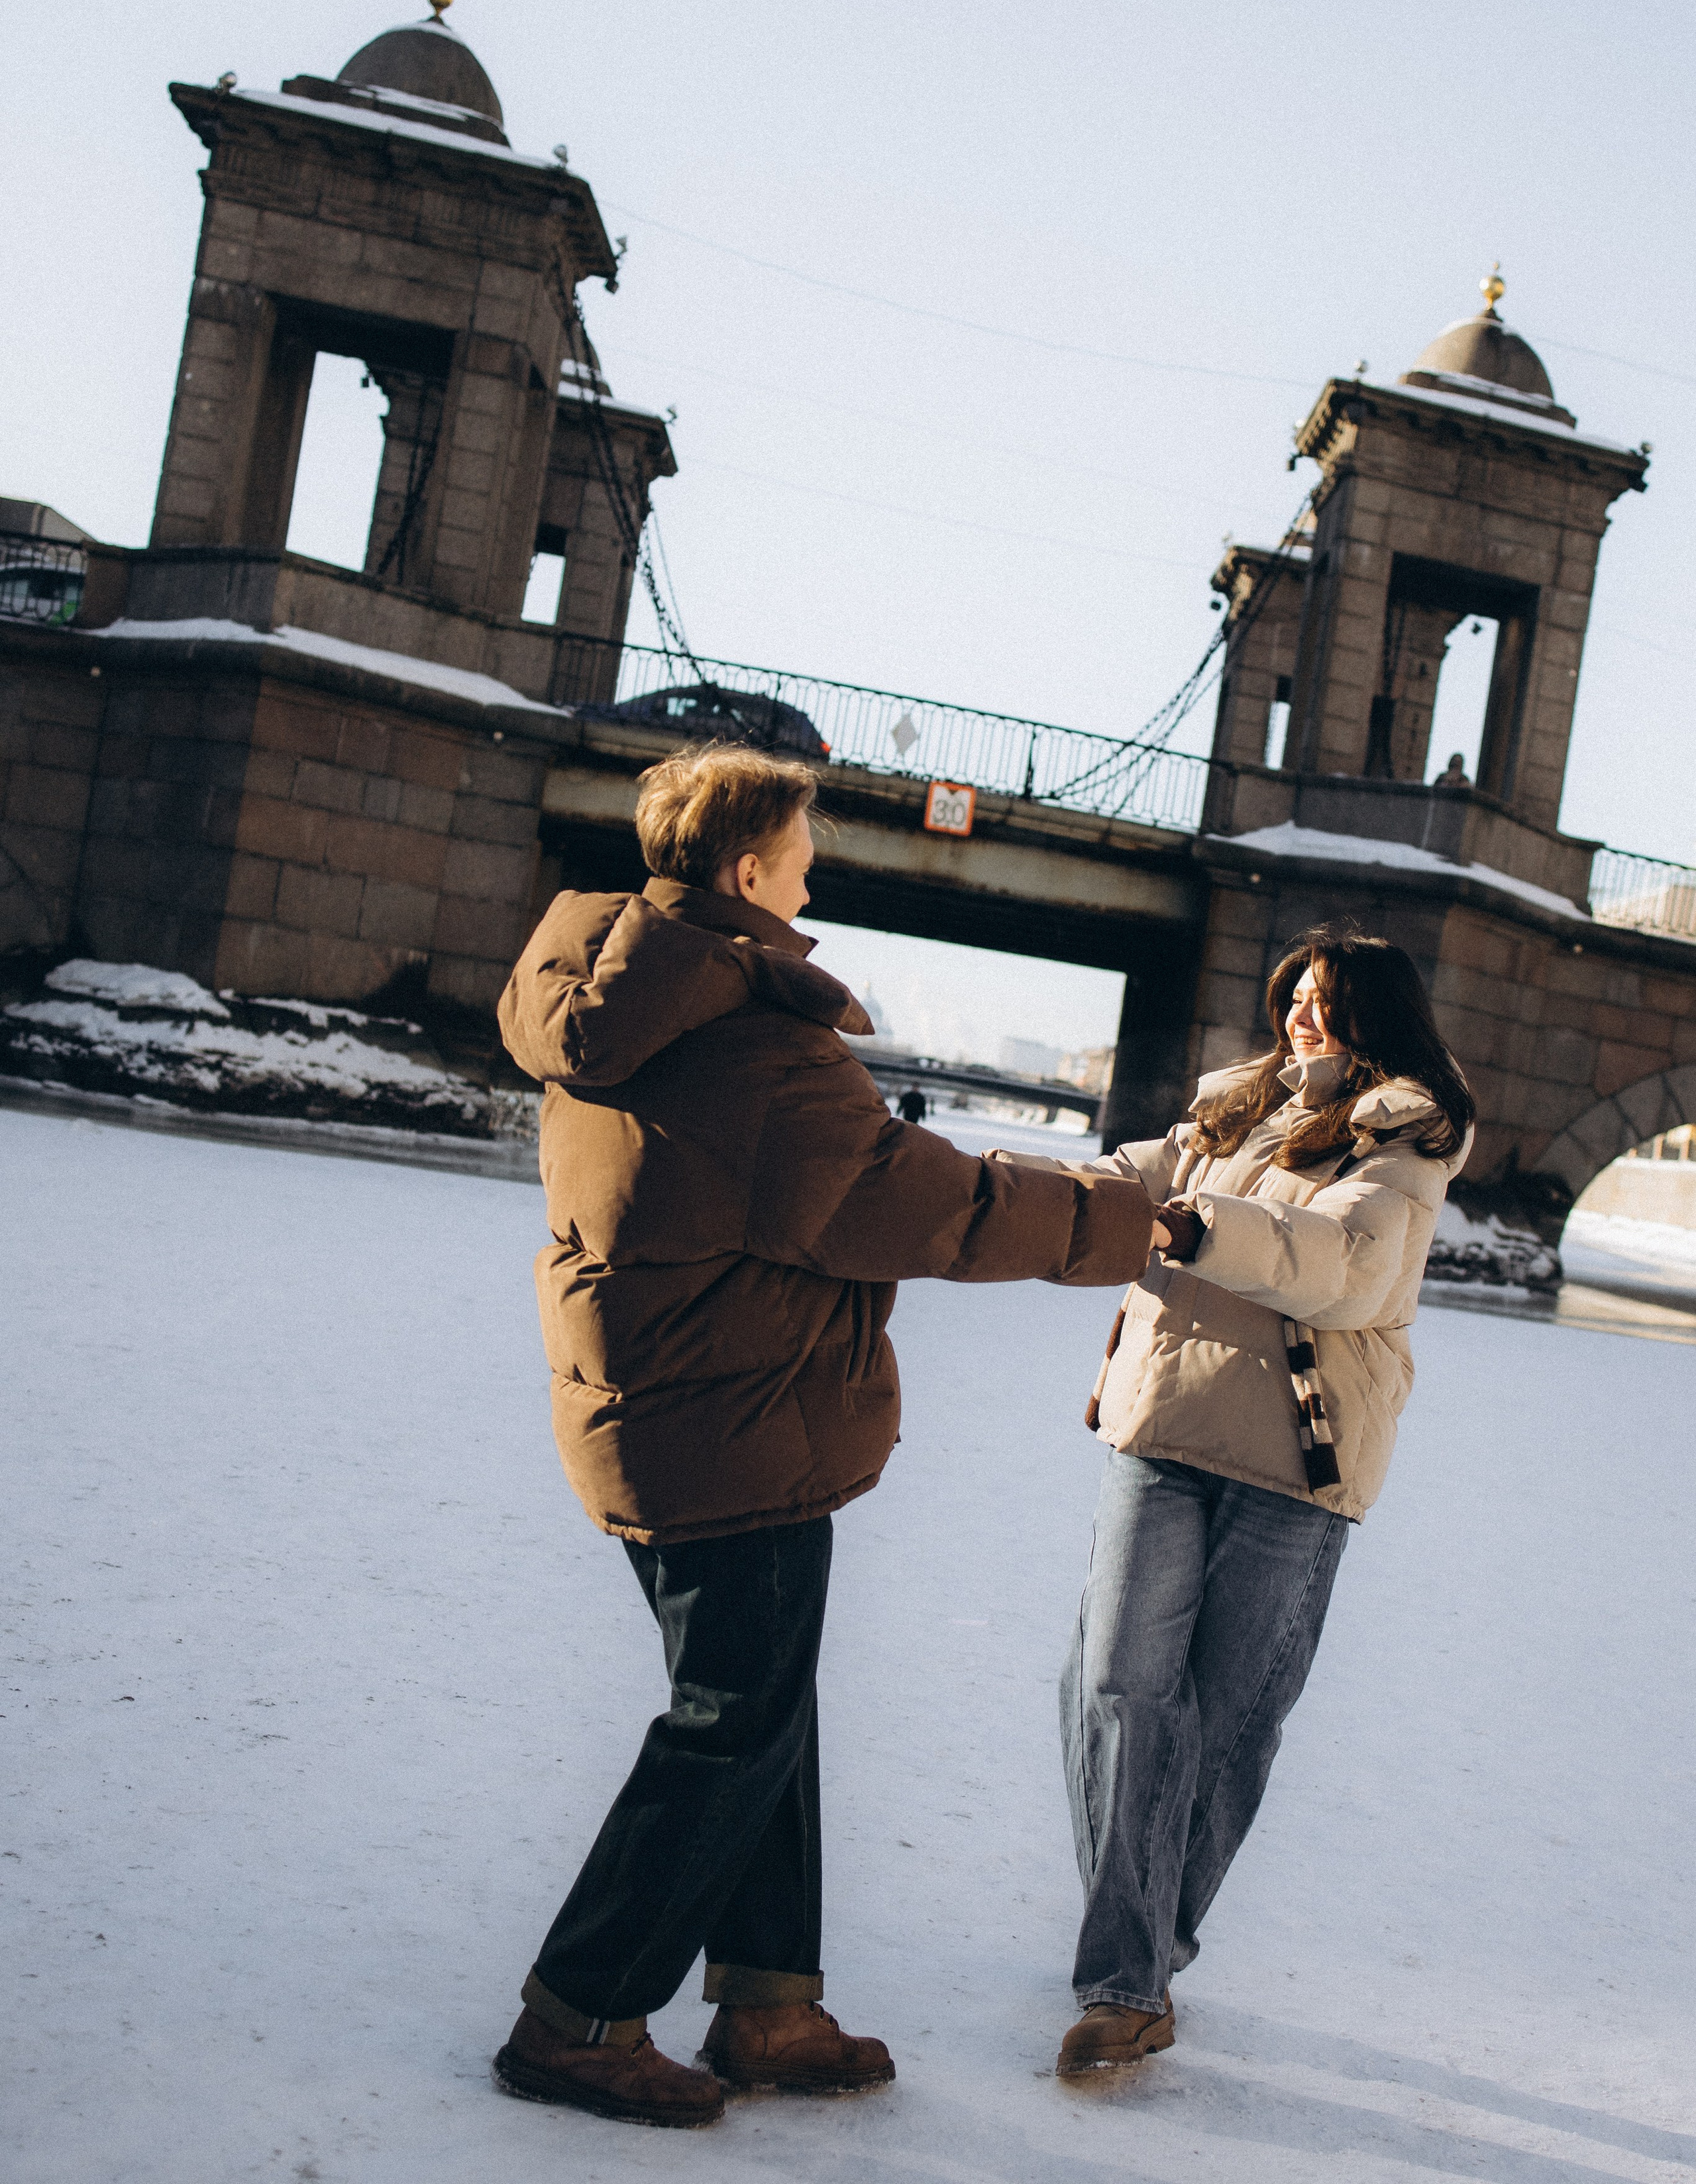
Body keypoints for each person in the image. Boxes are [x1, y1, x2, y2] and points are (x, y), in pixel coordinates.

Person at [491, 743, 1153, 2128]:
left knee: (760, 1713)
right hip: (734, 1421)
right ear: (748, 871)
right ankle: (579, 2012)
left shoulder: (625, 994)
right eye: (802, 850)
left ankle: (768, 2001)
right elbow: (924, 1203)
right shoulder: (747, 1043)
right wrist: (1138, 1221)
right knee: (729, 1724)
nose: (814, 871)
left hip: (673, 1404)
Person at [1054, 926, 1473, 2076]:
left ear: (1378, 1017)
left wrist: (1194, 1228)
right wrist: (1008, 1194)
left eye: (1330, 1002)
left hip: (1300, 1460)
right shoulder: (1232, 1112)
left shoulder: (1406, 1142)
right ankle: (1129, 1975)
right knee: (1117, 1685)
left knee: (1230, 1721)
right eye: (1296, 994)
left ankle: (1144, 1954)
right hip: (1164, 1425)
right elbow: (1130, 1178)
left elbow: (1339, 1265)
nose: (1304, 1017)